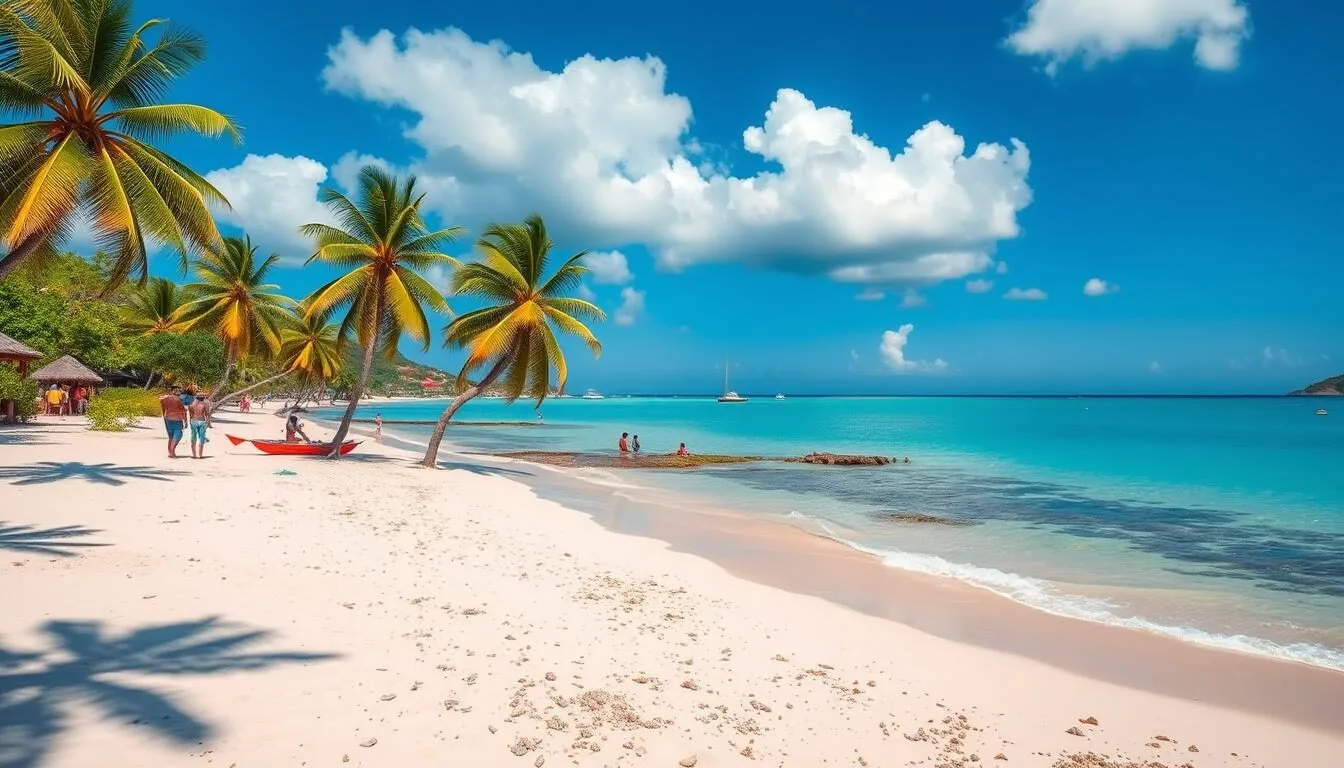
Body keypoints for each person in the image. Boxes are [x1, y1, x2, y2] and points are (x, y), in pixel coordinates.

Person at [159, 386, 188, 458]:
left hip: (167, 418)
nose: (179, 392)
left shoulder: (164, 399)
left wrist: (164, 417)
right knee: (178, 435)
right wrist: (186, 421)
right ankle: (172, 451)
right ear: (174, 391)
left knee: (171, 436)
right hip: (176, 418)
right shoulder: (178, 400)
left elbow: (163, 409)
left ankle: (170, 452)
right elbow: (183, 411)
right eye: (178, 391)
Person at [188, 394, 213, 458]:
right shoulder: (205, 404)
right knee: (201, 437)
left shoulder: (192, 404)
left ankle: (194, 454)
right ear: (203, 398)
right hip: (202, 421)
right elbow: (207, 414)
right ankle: (200, 455)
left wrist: (190, 422)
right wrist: (208, 423)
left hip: (194, 421)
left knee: (193, 437)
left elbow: (190, 415)